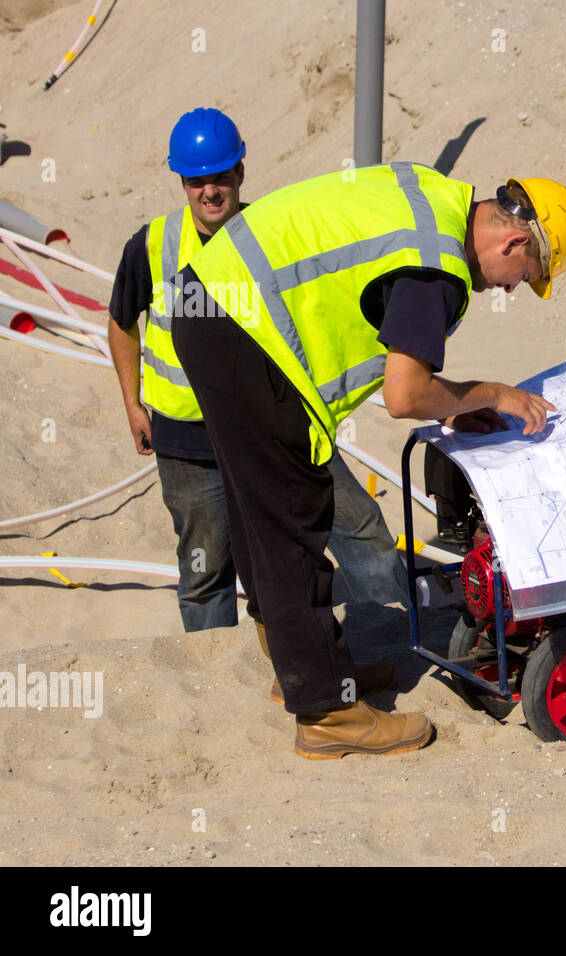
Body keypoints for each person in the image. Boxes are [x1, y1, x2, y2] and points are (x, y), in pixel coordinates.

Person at [171, 164, 566, 758]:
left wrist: (453, 407)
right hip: (242, 327)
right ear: (516, 241)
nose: (512, 288)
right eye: (527, 275)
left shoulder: (433, 197)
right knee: (291, 510)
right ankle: (325, 712)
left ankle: (303, 663)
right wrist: (490, 393)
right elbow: (405, 395)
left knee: (261, 497)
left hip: (213, 303)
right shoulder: (436, 266)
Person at [107, 109, 409, 646]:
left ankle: (395, 635)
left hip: (279, 429)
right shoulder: (152, 246)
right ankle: (218, 673)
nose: (210, 192)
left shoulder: (275, 233)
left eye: (220, 176)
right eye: (197, 180)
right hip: (188, 441)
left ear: (241, 172)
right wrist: (133, 405)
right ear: (181, 181)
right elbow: (121, 322)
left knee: (359, 526)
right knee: (205, 570)